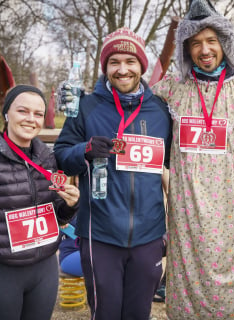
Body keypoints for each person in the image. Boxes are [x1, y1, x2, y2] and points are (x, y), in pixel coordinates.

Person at [150, 0, 234, 318]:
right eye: (196, 43)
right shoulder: (171, 89)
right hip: (188, 216)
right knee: (190, 296)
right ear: (187, 49)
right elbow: (131, 107)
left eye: (211, 40)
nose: (204, 50)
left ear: (224, 43)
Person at [53, 27, 172, 320]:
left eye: (130, 62)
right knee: (106, 313)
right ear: (105, 66)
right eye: (114, 62)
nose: (122, 70)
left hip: (149, 234)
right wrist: (85, 150)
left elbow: (175, 162)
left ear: (141, 66)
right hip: (100, 233)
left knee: (138, 313)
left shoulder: (160, 110)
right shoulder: (87, 106)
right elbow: (61, 156)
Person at [0, 85, 80, 320]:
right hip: (2, 272)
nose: (31, 119)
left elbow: (54, 217)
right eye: (23, 111)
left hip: (45, 269)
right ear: (7, 113)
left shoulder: (48, 158)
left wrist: (70, 205)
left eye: (38, 114)